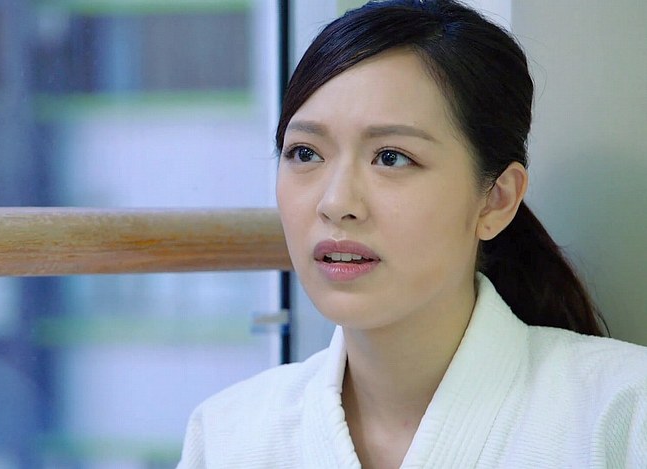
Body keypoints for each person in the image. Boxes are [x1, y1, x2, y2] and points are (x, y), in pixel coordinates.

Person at [177, 0, 647, 467]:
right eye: (305, 153)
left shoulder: (623, 413)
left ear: (496, 200)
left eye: (391, 157)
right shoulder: (227, 436)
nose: (335, 203)